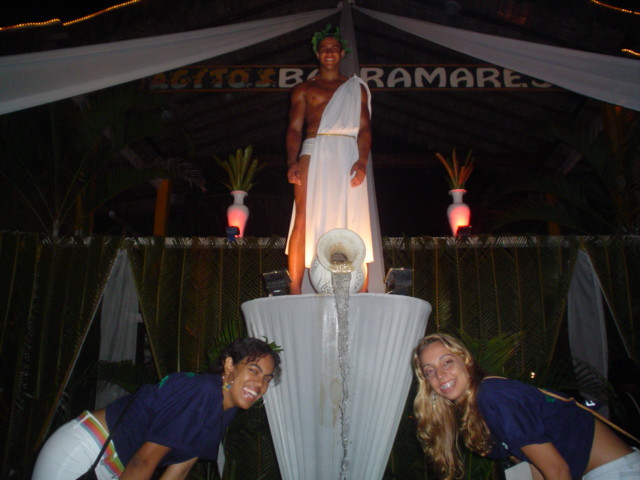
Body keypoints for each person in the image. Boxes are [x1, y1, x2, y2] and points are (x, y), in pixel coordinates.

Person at [32, 337, 281, 480]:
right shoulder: (203, 392)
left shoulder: (226, 409)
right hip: (86, 449)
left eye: (267, 379)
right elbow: (143, 462)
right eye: (254, 371)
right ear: (229, 366)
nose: (260, 384)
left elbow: (180, 470)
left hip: (114, 468)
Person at [412, 333, 639, 480]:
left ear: (466, 361)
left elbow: (557, 471)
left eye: (447, 361)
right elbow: (535, 466)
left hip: (618, 472)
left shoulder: (493, 396)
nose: (440, 375)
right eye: (429, 371)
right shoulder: (474, 410)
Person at [285, 24, 374, 294]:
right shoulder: (303, 89)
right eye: (324, 49)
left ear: (342, 53)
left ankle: (362, 291)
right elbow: (294, 129)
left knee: (355, 217)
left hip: (347, 152)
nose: (329, 53)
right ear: (317, 54)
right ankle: (294, 290)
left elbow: (365, 128)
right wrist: (291, 161)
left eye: (334, 48)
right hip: (314, 148)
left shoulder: (355, 88)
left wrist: (362, 161)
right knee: (302, 215)